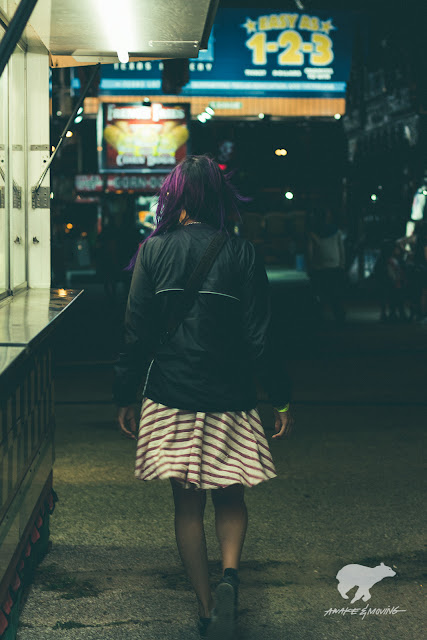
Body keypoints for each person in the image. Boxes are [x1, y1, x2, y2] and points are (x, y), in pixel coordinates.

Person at [113, 155, 293, 640]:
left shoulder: (152, 251)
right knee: (230, 493)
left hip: (170, 395)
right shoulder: (241, 252)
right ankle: (230, 575)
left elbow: (136, 332)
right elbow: (261, 338)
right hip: (230, 395)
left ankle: (208, 607)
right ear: (218, 198)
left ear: (174, 197)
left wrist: (124, 394)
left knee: (187, 507)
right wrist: (279, 399)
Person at [307, 209, 346, 325]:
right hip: (335, 266)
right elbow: (341, 249)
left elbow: (310, 251)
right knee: (336, 294)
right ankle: (339, 317)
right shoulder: (337, 232)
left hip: (319, 267)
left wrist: (310, 266)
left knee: (320, 294)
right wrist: (342, 265)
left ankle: (319, 318)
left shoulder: (313, 233)